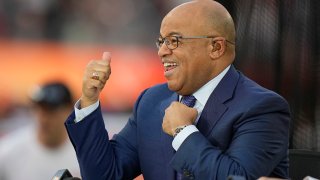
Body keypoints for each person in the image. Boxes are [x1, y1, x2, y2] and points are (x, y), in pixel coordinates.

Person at [65, 0, 290, 179]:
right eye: (161, 41)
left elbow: (237, 177)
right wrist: (88, 101)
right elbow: (105, 175)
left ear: (215, 47)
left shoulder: (262, 108)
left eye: (174, 41)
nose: (162, 51)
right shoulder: (151, 101)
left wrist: (183, 131)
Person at [0, 82, 80, 180]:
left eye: (51, 110)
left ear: (69, 110)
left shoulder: (87, 153)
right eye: (39, 108)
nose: (43, 118)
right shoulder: (7, 151)